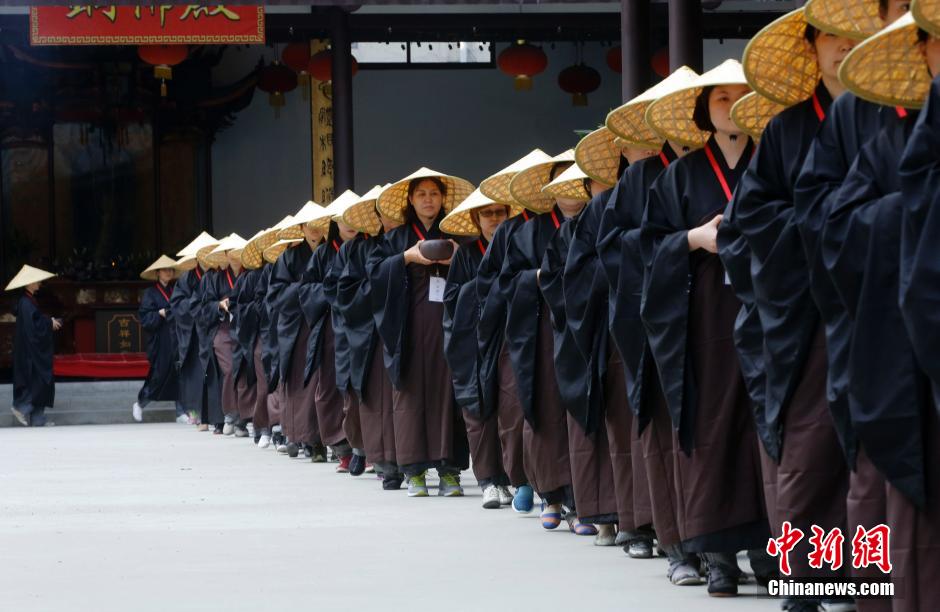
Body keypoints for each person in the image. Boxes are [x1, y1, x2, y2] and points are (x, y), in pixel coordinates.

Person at [726, 9, 858, 610]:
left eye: (858, 35)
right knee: (811, 446)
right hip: (807, 312)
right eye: (832, 35)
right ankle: (810, 582)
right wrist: (825, 221)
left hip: (877, 303)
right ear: (811, 47)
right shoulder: (788, 129)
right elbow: (751, 217)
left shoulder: (892, 117)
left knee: (876, 445)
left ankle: (862, 580)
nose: (845, 47)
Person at [794, 2, 912, 607]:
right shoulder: (847, 115)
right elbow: (818, 217)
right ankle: (844, 586)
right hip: (852, 309)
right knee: (849, 454)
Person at [822, 14, 940, 609]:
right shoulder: (868, 126)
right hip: (891, 334)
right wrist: (915, 207)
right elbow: (834, 226)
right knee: (883, 480)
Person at [642, 60, 773, 596]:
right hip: (706, 320)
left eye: (743, 96)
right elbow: (646, 247)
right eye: (722, 98)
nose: (733, 105)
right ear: (704, 110)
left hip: (769, 309)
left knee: (767, 423)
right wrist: (692, 239)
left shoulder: (774, 162)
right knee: (712, 423)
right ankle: (715, 553)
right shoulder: (680, 175)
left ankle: (774, 553)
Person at [603, 68, 701, 581]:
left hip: (714, 315)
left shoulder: (733, 163)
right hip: (653, 314)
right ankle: (677, 541)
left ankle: (725, 538)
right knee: (665, 426)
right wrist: (676, 244)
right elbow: (614, 247)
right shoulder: (639, 178)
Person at [563, 126, 658, 552]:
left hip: (680, 323)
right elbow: (578, 276)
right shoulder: (603, 206)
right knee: (626, 427)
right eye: (642, 138)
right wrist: (636, 267)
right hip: (622, 329)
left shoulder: (679, 185)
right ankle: (633, 521)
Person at [367, 168, 474, 498]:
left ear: (443, 199)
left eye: (434, 194)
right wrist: (405, 257)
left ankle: (449, 471)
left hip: (449, 325)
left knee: (448, 394)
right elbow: (374, 275)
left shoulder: (458, 235)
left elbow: (476, 273)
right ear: (411, 201)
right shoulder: (395, 239)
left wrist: (459, 257)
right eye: (422, 194)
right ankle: (412, 470)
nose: (429, 200)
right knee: (410, 395)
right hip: (409, 329)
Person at [500, 151, 582, 530]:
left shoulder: (596, 220)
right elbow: (506, 282)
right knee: (547, 406)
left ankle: (585, 500)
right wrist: (542, 276)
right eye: (561, 178)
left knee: (582, 408)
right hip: (545, 326)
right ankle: (551, 493)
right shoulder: (529, 230)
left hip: (588, 325)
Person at [539, 164, 619, 542]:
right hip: (581, 337)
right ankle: (598, 512)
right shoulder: (567, 233)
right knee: (589, 421)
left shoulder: (634, 211)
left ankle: (635, 520)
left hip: (625, 333)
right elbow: (559, 284)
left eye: (611, 175)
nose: (606, 184)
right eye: (597, 178)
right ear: (587, 185)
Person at [476, 151, 551, 514]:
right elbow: (491, 281)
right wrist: (528, 282)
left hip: (555, 324)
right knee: (513, 405)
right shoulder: (508, 230)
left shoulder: (562, 222)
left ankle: (552, 485)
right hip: (514, 327)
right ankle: (520, 478)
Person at [441, 189, 514, 509]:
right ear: (475, 219)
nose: (494, 219)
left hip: (508, 337)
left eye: (500, 212)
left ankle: (511, 477)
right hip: (472, 339)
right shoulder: (467, 254)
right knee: (477, 408)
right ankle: (487, 479)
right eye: (487, 214)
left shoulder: (514, 247)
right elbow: (453, 298)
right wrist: (488, 287)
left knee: (508, 408)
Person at [339, 187, 404, 489]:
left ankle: (415, 459)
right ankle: (383, 460)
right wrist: (380, 289)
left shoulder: (410, 241)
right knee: (377, 396)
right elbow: (344, 292)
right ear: (375, 216)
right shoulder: (356, 249)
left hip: (407, 327)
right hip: (371, 332)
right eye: (383, 212)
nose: (389, 217)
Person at [298, 191, 362, 473]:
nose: (350, 223)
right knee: (330, 388)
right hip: (331, 328)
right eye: (343, 217)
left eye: (354, 216)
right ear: (335, 220)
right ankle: (342, 447)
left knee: (363, 385)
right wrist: (334, 292)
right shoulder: (325, 252)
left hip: (362, 325)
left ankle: (365, 445)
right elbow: (307, 290)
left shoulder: (367, 247)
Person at [269, 203, 327, 459]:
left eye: (319, 224)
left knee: (323, 381)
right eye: (309, 225)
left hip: (325, 321)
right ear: (302, 229)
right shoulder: (289, 257)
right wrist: (306, 287)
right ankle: (305, 438)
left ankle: (328, 439)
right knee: (301, 383)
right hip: (299, 326)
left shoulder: (331, 251)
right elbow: (277, 296)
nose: (314, 229)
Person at [204, 234, 253, 436]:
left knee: (243, 369)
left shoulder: (249, 275)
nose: (235, 254)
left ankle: (242, 418)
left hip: (244, 328)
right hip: (223, 329)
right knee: (230, 369)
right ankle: (230, 413)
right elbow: (203, 306)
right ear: (225, 254)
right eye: (231, 251)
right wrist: (219, 304)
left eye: (239, 250)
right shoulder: (216, 278)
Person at [172, 232, 219, 431]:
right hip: (193, 331)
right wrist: (194, 309)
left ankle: (214, 414)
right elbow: (177, 303)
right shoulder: (188, 277)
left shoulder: (216, 274)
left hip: (212, 326)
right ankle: (197, 413)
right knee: (195, 374)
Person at [6, 265, 59, 427]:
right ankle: (21, 407)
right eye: (36, 281)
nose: (39, 283)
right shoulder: (25, 302)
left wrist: (48, 321)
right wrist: (49, 322)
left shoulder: (28, 301)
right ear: (29, 284)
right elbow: (34, 326)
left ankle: (37, 419)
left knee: (41, 380)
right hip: (31, 352)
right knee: (40, 380)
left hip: (31, 350)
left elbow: (36, 320)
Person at [134, 255, 183, 423]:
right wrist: (159, 314)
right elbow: (145, 316)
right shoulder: (150, 293)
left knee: (179, 373)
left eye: (171, 269)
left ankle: (180, 412)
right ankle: (140, 403)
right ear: (157, 273)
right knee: (159, 374)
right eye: (165, 270)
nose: (169, 272)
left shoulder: (174, 290)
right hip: (161, 338)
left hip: (175, 337)